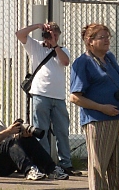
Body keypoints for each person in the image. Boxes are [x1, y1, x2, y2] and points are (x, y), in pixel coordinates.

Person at [69, 23, 119, 190]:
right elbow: (75, 96)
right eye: (101, 37)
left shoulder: (110, 59)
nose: (106, 40)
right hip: (98, 121)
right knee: (99, 167)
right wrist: (101, 107)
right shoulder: (83, 63)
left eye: (108, 36)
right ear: (89, 41)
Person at [15, 21, 80, 175]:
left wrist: (55, 45)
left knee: (62, 131)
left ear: (58, 36)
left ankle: (66, 164)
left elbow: (65, 62)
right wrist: (37, 26)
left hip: (58, 97)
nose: (51, 37)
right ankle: (45, 164)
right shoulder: (36, 46)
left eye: (54, 35)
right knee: (41, 131)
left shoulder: (63, 50)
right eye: (49, 34)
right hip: (40, 95)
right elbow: (19, 34)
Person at [0, 96, 69, 181]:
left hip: (3, 163)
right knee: (10, 142)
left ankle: (52, 169)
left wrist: (23, 136)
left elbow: (13, 142)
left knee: (26, 140)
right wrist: (8, 131)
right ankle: (29, 170)